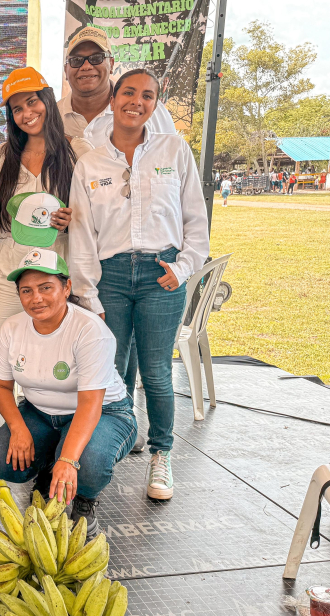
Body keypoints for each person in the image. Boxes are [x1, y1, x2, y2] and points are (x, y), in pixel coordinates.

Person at [69, 69, 209, 502]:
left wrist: (182, 267)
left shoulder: (173, 149)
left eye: (147, 95)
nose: (137, 101)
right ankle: (118, 436)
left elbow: (195, 221)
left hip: (160, 276)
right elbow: (82, 234)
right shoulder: (91, 162)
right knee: (112, 370)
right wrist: (88, 293)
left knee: (156, 373)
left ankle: (161, 453)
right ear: (113, 99)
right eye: (129, 92)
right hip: (110, 277)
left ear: (155, 103)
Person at [0, 67, 76, 468]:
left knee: (67, 358)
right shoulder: (2, 155)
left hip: (56, 274)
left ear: (47, 100)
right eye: (17, 108)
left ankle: (65, 445)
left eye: (32, 102)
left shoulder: (78, 152)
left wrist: (73, 218)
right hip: (8, 272)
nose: (26, 113)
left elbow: (96, 216)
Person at [0, 249, 135, 538]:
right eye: (26, 290)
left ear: (66, 288)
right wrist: (18, 428)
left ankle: (85, 500)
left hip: (104, 413)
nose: (36, 298)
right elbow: (0, 386)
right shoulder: (12, 328)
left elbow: (91, 403)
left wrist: (68, 461)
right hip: (41, 412)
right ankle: (49, 469)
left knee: (86, 465)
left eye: (45, 288)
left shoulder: (90, 330)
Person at [58, 27, 176, 146]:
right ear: (65, 71)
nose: (86, 66)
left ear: (112, 64)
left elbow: (172, 158)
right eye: (76, 60)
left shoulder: (148, 110)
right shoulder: (52, 117)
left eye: (96, 58)